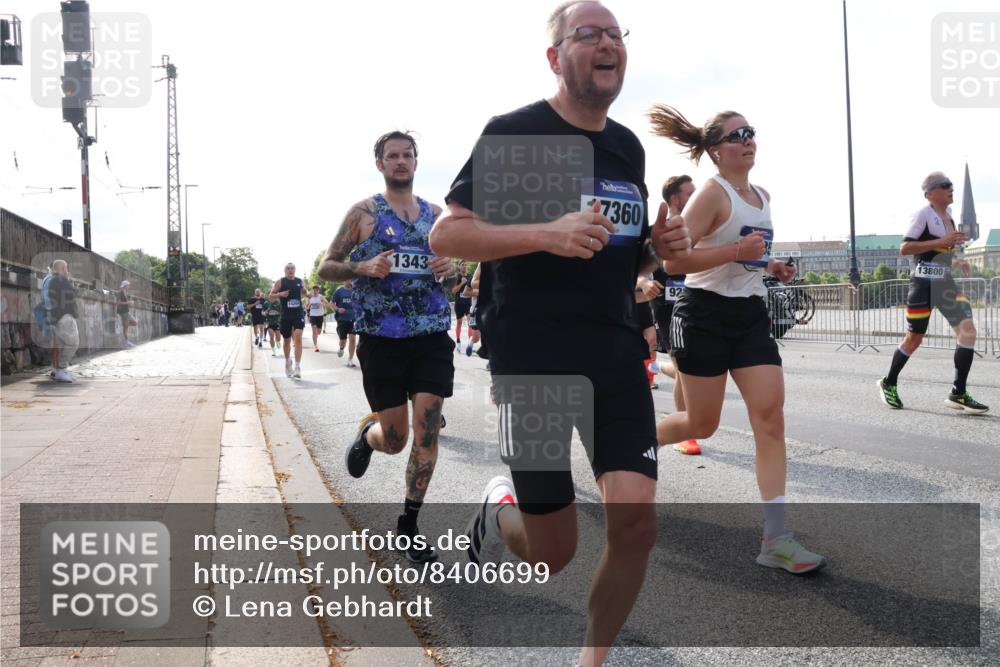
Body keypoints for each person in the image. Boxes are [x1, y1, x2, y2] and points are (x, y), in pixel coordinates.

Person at [429, 3, 691, 664]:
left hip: (613, 347)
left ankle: (591, 659)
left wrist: (657, 249)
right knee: (553, 552)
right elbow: (449, 233)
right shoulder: (516, 133)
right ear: (554, 57)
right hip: (533, 356)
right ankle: (499, 510)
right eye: (588, 34)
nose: (607, 44)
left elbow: (621, 256)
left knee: (636, 523)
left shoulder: (626, 145)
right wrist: (543, 233)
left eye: (614, 34)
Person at [647, 103, 825, 574]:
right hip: (702, 315)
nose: (748, 140)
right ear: (714, 152)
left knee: (770, 419)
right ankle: (631, 444)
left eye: (750, 132)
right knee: (699, 425)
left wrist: (769, 266)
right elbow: (674, 264)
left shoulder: (762, 195)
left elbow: (746, 255)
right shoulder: (711, 193)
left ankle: (776, 538)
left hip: (748, 315)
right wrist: (736, 250)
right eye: (736, 135)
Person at [319, 130, 460, 564]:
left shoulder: (438, 217)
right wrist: (361, 265)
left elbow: (455, 286)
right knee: (396, 439)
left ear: (417, 162)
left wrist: (451, 270)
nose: (400, 162)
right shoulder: (363, 214)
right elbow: (326, 267)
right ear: (380, 164)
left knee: (428, 429)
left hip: (432, 335)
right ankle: (369, 433)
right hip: (381, 337)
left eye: (407, 155)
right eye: (392, 156)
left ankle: (409, 524)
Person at [877, 172, 988, 414]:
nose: (951, 189)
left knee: (968, 331)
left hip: (945, 283)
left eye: (951, 185)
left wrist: (957, 260)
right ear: (930, 193)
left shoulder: (948, 217)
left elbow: (942, 251)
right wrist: (945, 241)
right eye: (945, 185)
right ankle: (889, 382)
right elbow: (905, 247)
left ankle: (958, 393)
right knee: (914, 339)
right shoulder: (923, 214)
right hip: (923, 284)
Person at [651, 174, 701, 454]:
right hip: (668, 309)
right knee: (684, 369)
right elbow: (643, 266)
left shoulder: (699, 226)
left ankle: (658, 367)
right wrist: (646, 282)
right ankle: (685, 433)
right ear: (674, 198)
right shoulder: (659, 229)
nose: (695, 196)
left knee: (688, 367)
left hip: (697, 304)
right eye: (689, 192)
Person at [268, 263, 307, 378]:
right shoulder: (280, 282)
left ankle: (298, 367)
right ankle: (288, 361)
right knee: (287, 341)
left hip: (298, 313)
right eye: (288, 268)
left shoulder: (300, 281)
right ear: (285, 270)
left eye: (292, 268)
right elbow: (270, 297)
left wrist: (308, 294)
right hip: (285, 315)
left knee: (298, 337)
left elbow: (305, 293)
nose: (290, 270)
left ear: (295, 270)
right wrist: (280, 294)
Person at [47, 260, 80, 383]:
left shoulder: (52, 280)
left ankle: (58, 371)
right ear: (61, 269)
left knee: (61, 345)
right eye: (66, 268)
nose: (67, 271)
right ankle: (61, 369)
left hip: (57, 317)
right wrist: (70, 282)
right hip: (65, 317)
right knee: (73, 343)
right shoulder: (61, 279)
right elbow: (74, 293)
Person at [331, 279, 358, 366]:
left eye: (350, 279)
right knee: (343, 340)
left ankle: (350, 359)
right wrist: (338, 309)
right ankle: (341, 347)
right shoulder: (339, 291)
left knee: (353, 338)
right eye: (347, 279)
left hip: (353, 318)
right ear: (344, 280)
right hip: (342, 319)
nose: (349, 281)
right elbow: (331, 303)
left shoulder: (355, 290)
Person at [452, 262, 473, 350]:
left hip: (468, 303)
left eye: (465, 265)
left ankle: (469, 344)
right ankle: (458, 341)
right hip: (459, 304)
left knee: (470, 323)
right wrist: (461, 283)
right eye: (462, 265)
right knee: (459, 323)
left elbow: (473, 289)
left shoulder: (470, 276)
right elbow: (453, 291)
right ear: (459, 267)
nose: (464, 266)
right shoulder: (456, 277)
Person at [463, 263, 482, 357]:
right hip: (476, 309)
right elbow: (465, 292)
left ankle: (491, 360)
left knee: (492, 335)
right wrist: (480, 292)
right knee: (476, 338)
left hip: (490, 309)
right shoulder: (473, 280)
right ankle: (471, 343)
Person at [307, 285, 331, 352]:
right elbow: (307, 307)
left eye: (316, 290)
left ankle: (316, 336)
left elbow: (328, 305)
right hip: (313, 316)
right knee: (314, 330)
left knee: (318, 332)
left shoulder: (321, 297)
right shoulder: (310, 298)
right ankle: (315, 346)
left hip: (320, 316)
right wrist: (308, 312)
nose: (315, 291)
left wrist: (322, 304)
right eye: (314, 290)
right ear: (312, 290)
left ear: (318, 290)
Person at [117, 280, 136, 347]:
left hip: (126, 311)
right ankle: (127, 342)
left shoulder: (127, 294)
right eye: (128, 286)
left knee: (135, 322)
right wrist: (128, 303)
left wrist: (131, 303)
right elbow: (119, 302)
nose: (129, 287)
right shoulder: (120, 293)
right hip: (122, 312)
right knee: (126, 328)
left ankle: (124, 324)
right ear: (125, 286)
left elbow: (127, 303)